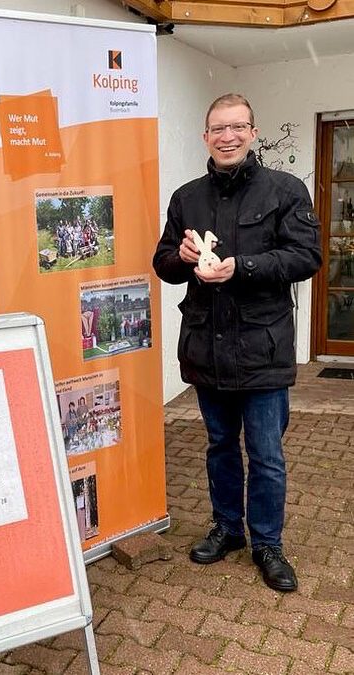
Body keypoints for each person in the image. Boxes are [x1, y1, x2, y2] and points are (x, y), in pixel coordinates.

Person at [153, 93, 321, 593]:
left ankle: (268, 543)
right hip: (207, 346)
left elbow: (305, 256)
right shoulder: (187, 197)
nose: (227, 137)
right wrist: (183, 257)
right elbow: (163, 265)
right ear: (205, 136)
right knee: (221, 445)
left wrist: (242, 267)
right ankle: (227, 528)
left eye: (236, 127)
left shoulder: (285, 190)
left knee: (266, 454)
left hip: (262, 347)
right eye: (217, 129)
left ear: (252, 132)